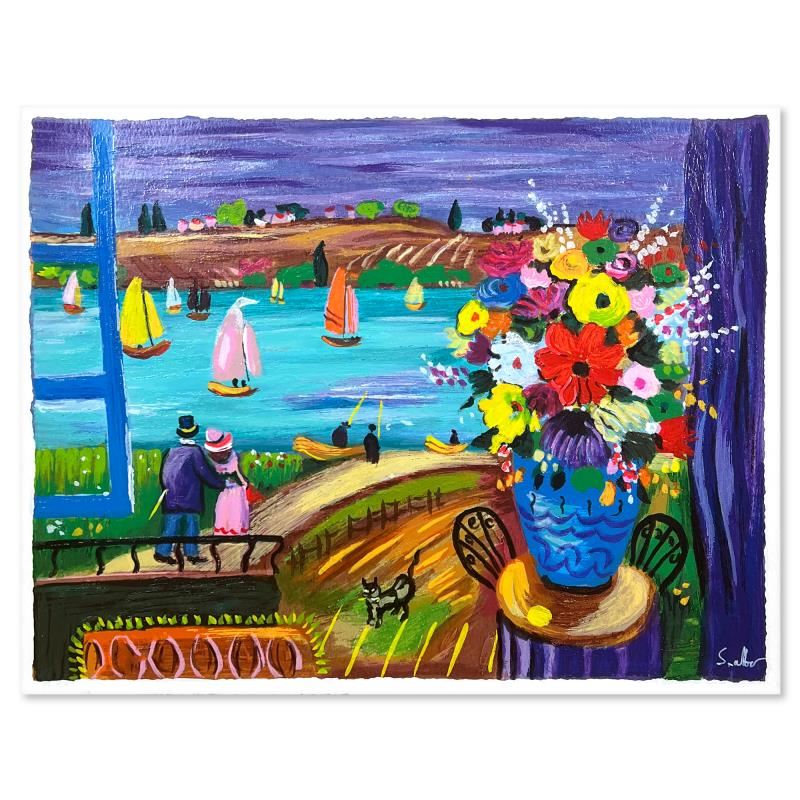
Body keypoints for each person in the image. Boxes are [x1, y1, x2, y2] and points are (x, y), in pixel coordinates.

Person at [155, 415, 227, 565]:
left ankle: (162, 552)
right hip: (190, 497)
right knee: (191, 526)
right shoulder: (195, 452)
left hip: (171, 497)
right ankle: (191, 554)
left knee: (171, 526)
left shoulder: (170, 451)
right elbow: (205, 473)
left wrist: (167, 489)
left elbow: (163, 474)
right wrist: (221, 484)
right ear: (194, 433)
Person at [204, 429, 250, 535]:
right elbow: (237, 472)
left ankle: (223, 531)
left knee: (223, 509)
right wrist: (244, 483)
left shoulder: (211, 459)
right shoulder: (233, 456)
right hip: (235, 489)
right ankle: (235, 530)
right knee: (235, 509)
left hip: (223, 489)